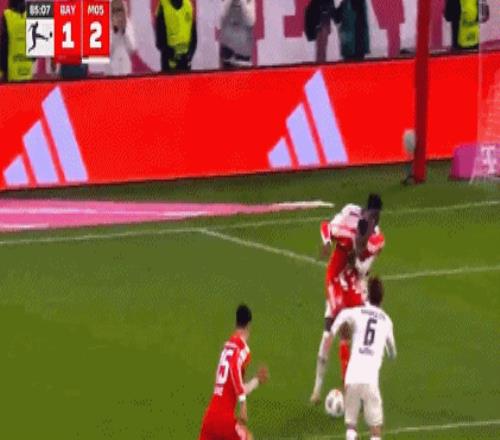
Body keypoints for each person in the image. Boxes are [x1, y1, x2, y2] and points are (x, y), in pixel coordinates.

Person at [311, 194, 385, 404]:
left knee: (358, 337)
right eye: (372, 217)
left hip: (356, 282)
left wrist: (356, 259)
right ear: (365, 212)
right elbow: (326, 226)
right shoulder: (350, 214)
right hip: (336, 278)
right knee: (329, 335)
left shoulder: (377, 239)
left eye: (377, 218)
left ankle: (354, 388)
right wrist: (327, 243)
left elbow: (363, 269)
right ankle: (318, 390)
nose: (374, 222)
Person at [331, 277, 397, 440]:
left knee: (351, 426)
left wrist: (339, 333)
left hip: (352, 377)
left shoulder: (356, 312)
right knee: (375, 429)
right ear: (382, 298)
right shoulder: (387, 321)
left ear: (367, 295)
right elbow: (392, 353)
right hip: (370, 379)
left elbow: (340, 319)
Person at [199, 304, 269, 440]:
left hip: (210, 417)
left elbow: (235, 387)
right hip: (224, 420)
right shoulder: (242, 349)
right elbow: (234, 367)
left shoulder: (226, 347)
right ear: (249, 325)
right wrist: (243, 405)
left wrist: (256, 381)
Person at [155, 0, 197, 72]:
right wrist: (171, 55)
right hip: (169, 63)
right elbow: (160, 40)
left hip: (185, 62)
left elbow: (193, 36)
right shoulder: (163, 6)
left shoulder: (188, 5)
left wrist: (189, 56)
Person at [0, 0, 33, 82]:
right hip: (27, 70)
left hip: (11, 72)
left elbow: (3, 46)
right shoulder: (30, 14)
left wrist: (2, 69)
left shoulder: (7, 16)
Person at [219, 0, 256, 69]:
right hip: (226, 48)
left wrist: (242, 2)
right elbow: (220, 20)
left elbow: (250, 22)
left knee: (243, 74)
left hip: (243, 49)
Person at [106, 0, 135, 76]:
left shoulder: (128, 25)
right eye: (114, 10)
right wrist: (113, 30)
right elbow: (107, 50)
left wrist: (124, 31)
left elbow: (132, 48)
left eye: (119, 10)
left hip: (125, 66)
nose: (117, 13)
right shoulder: (106, 26)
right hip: (111, 67)